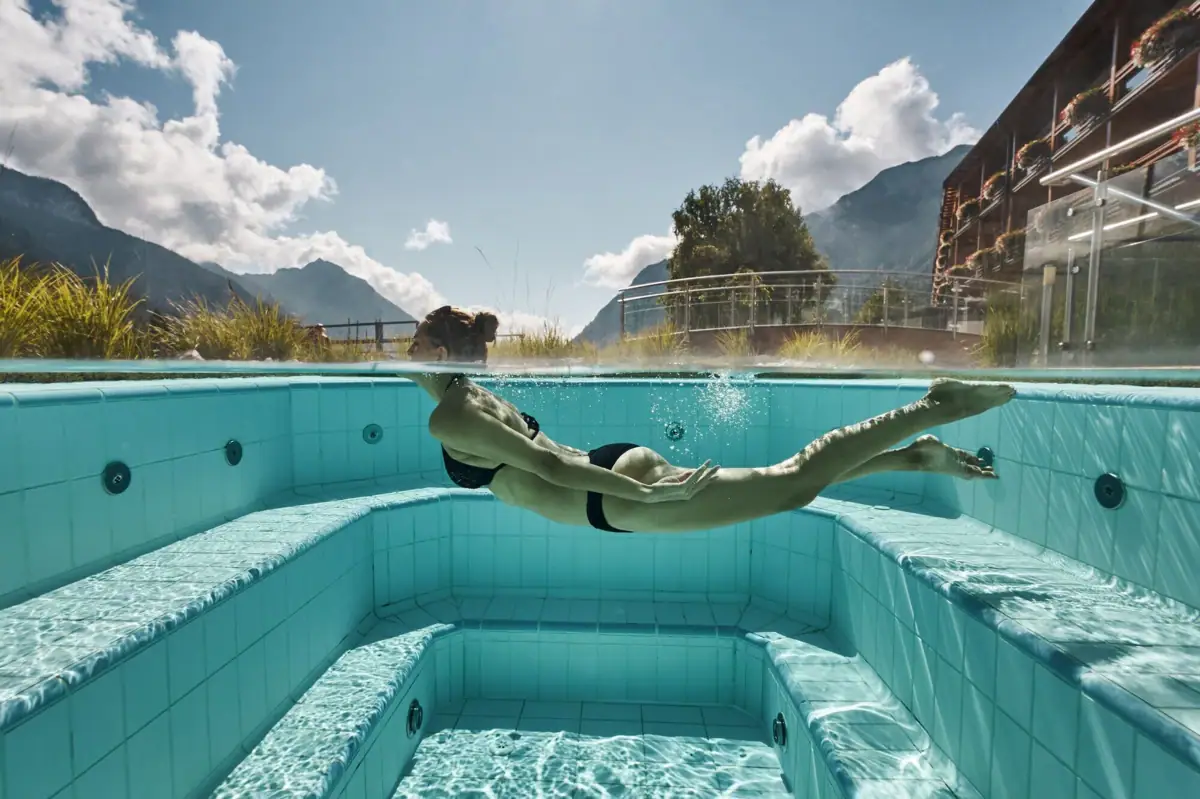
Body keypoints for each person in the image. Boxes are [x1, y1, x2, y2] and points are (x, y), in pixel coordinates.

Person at [407, 306, 1015, 534]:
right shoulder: (473, 394)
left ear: (436, 354)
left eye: (411, 346)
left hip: (613, 497)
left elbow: (549, 468)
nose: (402, 358)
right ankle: (917, 455)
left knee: (791, 482)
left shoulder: (451, 416)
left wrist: (644, 493)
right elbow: (550, 461)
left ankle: (932, 407)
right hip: (611, 478)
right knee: (783, 487)